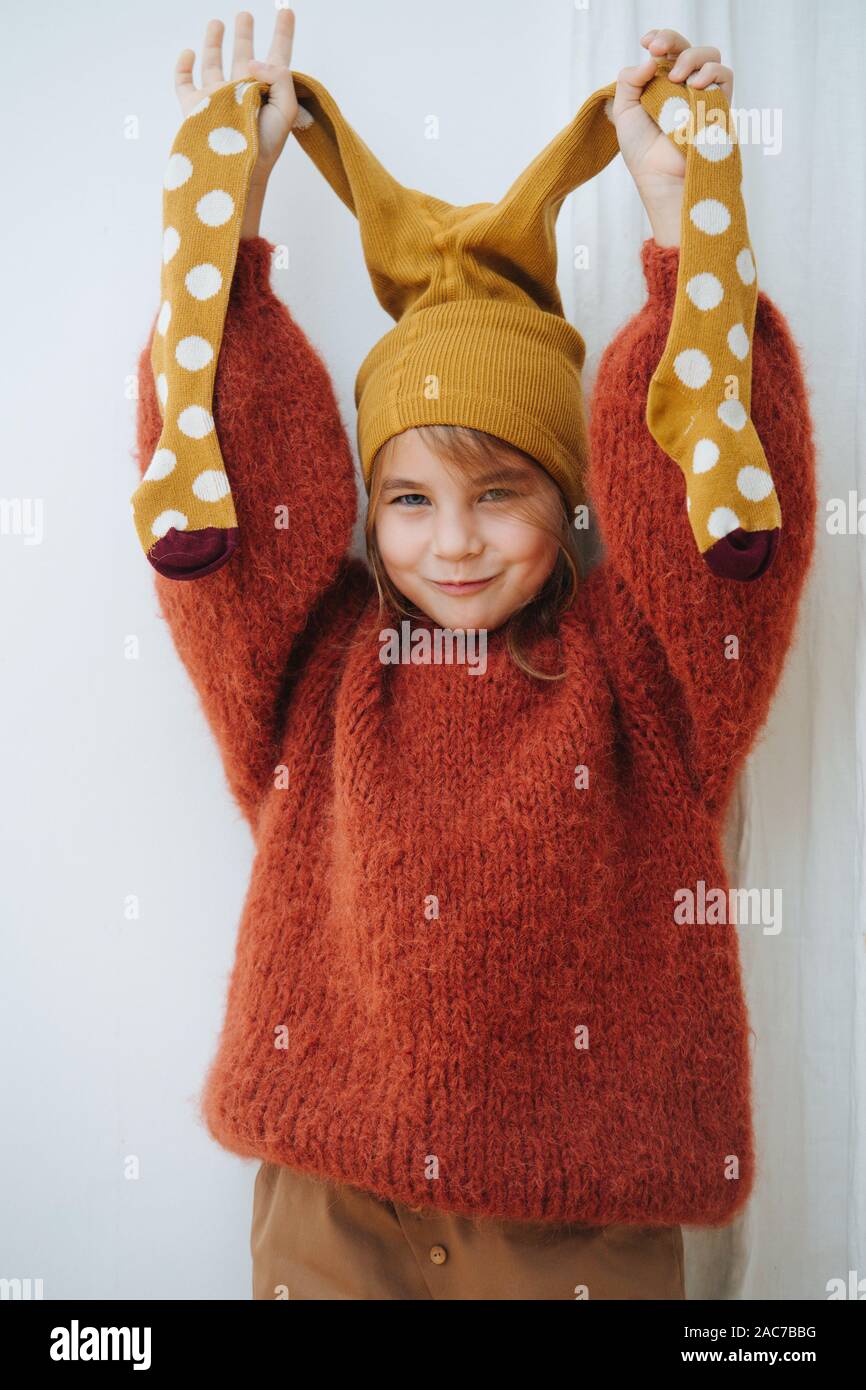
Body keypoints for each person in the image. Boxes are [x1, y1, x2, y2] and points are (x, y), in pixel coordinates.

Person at [132, 10, 817, 1299]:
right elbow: (218, 513)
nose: (453, 543)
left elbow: (722, 521)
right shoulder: (313, 674)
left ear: (568, 497)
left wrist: (681, 226)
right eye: (408, 499)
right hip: (333, 1201)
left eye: (500, 493)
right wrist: (226, 221)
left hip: (580, 1231)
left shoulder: (647, 682)